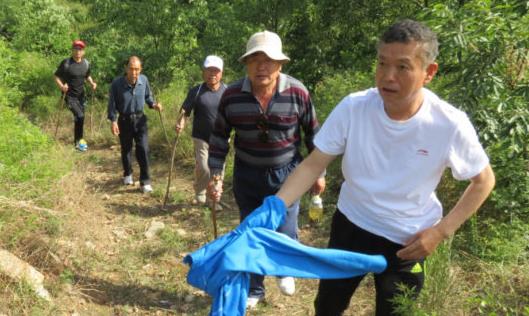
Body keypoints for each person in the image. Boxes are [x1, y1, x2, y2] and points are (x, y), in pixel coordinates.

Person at [265, 20, 496, 315]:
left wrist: (440, 232)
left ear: (429, 73)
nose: (388, 76)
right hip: (351, 224)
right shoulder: (354, 107)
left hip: (408, 240)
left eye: (403, 67)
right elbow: (314, 164)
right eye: (382, 63)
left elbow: (483, 181)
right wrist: (276, 205)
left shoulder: (448, 124)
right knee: (327, 306)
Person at [207, 30, 326, 308]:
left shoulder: (297, 92)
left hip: (288, 173)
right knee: (251, 231)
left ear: (280, 64)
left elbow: (315, 136)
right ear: (246, 63)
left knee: (285, 227)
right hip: (247, 173)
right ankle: (255, 288)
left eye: (269, 59)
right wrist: (215, 174)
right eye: (255, 59)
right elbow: (219, 137)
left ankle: (284, 268)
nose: (262, 66)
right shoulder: (232, 96)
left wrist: (319, 173)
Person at [176, 55, 227, 205]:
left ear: (221, 73)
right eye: (209, 70)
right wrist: (180, 123)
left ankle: (214, 200)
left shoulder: (227, 91)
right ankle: (200, 192)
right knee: (204, 167)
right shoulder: (196, 91)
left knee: (218, 171)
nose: (212, 74)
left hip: (221, 139)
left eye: (216, 70)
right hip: (201, 137)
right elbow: (185, 111)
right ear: (203, 72)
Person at [107, 56, 163, 194]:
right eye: (131, 69)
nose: (134, 72)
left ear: (140, 69)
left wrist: (154, 105)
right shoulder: (117, 84)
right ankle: (128, 173)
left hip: (140, 119)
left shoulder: (144, 80)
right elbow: (112, 105)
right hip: (124, 121)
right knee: (126, 149)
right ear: (126, 68)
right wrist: (113, 121)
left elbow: (148, 97)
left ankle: (145, 181)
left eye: (137, 69)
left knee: (143, 149)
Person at [54, 40, 97, 151]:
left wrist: (92, 83)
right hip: (69, 96)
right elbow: (56, 77)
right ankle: (79, 143)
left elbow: (87, 75)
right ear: (72, 50)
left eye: (80, 49)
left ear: (83, 52)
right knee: (80, 116)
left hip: (81, 96)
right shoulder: (66, 63)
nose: (78, 51)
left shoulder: (86, 63)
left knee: (80, 118)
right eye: (76, 49)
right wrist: (62, 87)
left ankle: (78, 141)